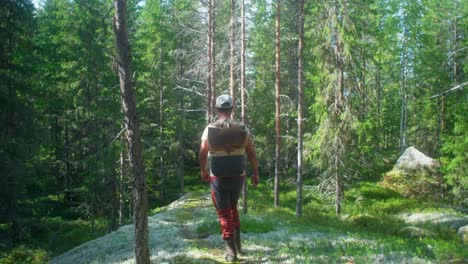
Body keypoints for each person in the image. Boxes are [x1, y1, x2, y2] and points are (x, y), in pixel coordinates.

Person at [199, 94, 259, 262]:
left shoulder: (210, 128)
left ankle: (231, 251)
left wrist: (203, 170)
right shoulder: (242, 128)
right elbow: (251, 152)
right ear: (232, 109)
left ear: (217, 109)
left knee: (224, 213)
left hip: (218, 177)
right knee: (232, 208)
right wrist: (255, 172)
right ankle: (238, 244)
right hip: (238, 175)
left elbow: (203, 152)